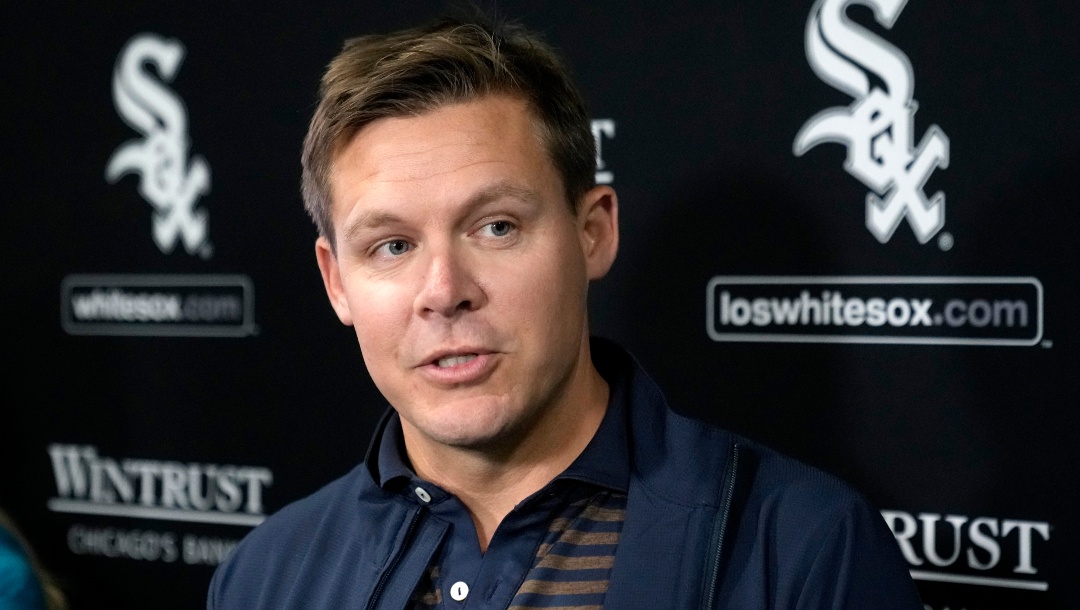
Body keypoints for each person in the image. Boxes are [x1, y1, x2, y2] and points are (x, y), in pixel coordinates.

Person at [208, 11, 923, 609]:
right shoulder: (261, 578)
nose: (443, 289)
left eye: (496, 227)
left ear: (594, 232)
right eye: (392, 246)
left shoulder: (804, 553)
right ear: (336, 282)